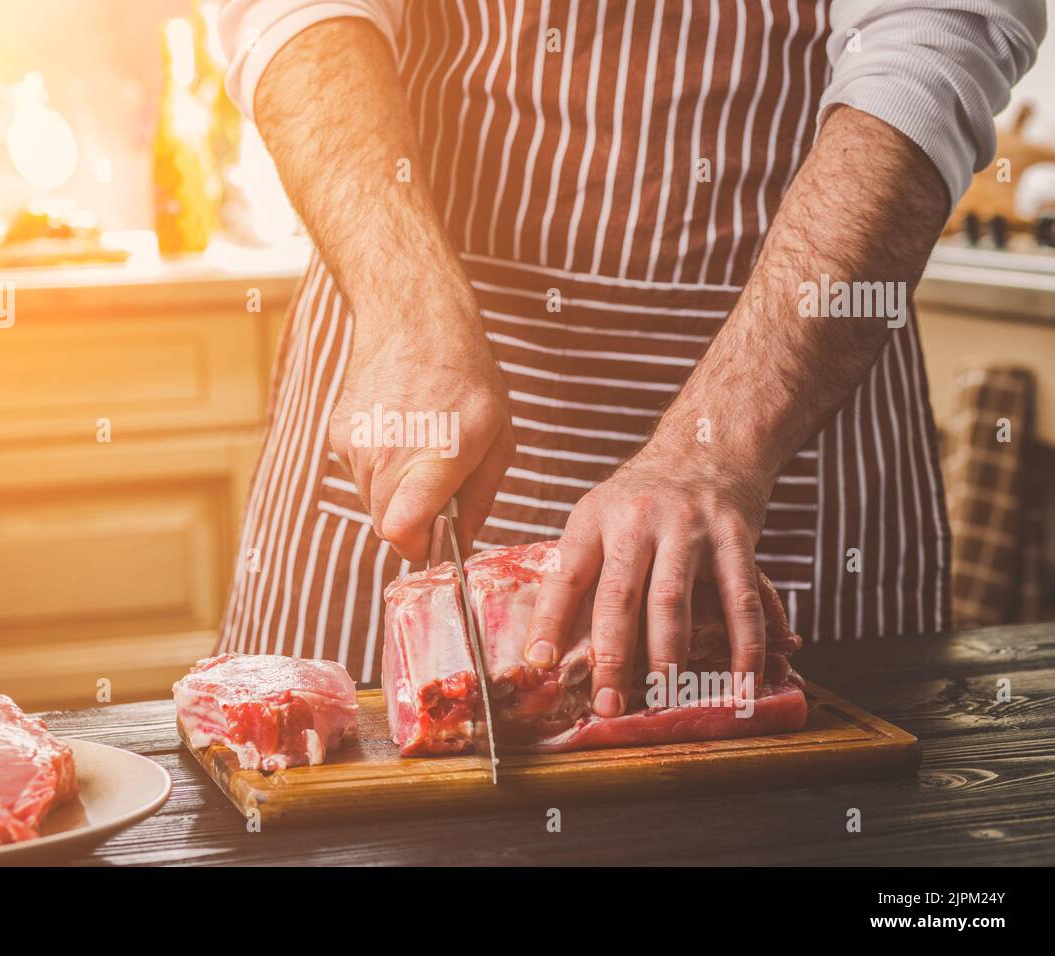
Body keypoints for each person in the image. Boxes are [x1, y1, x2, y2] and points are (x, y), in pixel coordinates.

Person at [214, 0, 1045, 718]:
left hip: (792, 406)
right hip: (409, 360)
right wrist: (405, 309)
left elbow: (933, 34)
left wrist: (725, 444)